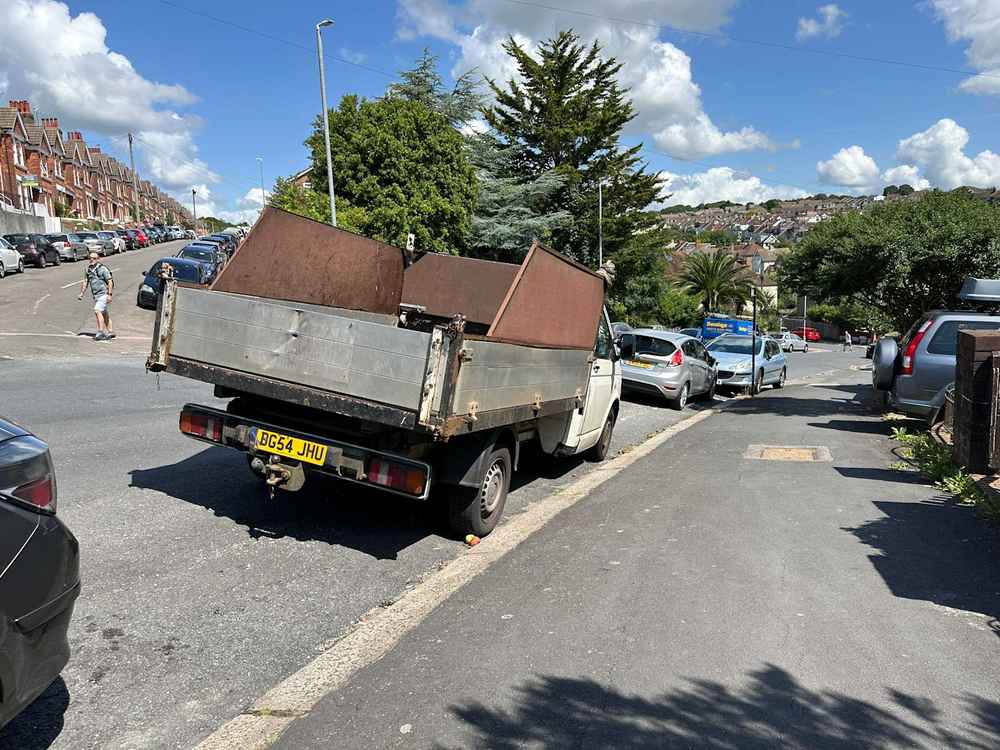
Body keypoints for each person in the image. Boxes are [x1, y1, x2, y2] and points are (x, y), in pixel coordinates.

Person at [78, 253, 114, 341]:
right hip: (96, 295)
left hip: (104, 294)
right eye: (90, 258)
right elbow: (86, 282)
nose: (92, 260)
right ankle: (110, 331)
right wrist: (82, 293)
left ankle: (100, 332)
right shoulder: (87, 269)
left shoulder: (102, 269)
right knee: (104, 313)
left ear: (98, 259)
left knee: (97, 310)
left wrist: (109, 295)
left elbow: (110, 281)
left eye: (94, 258)